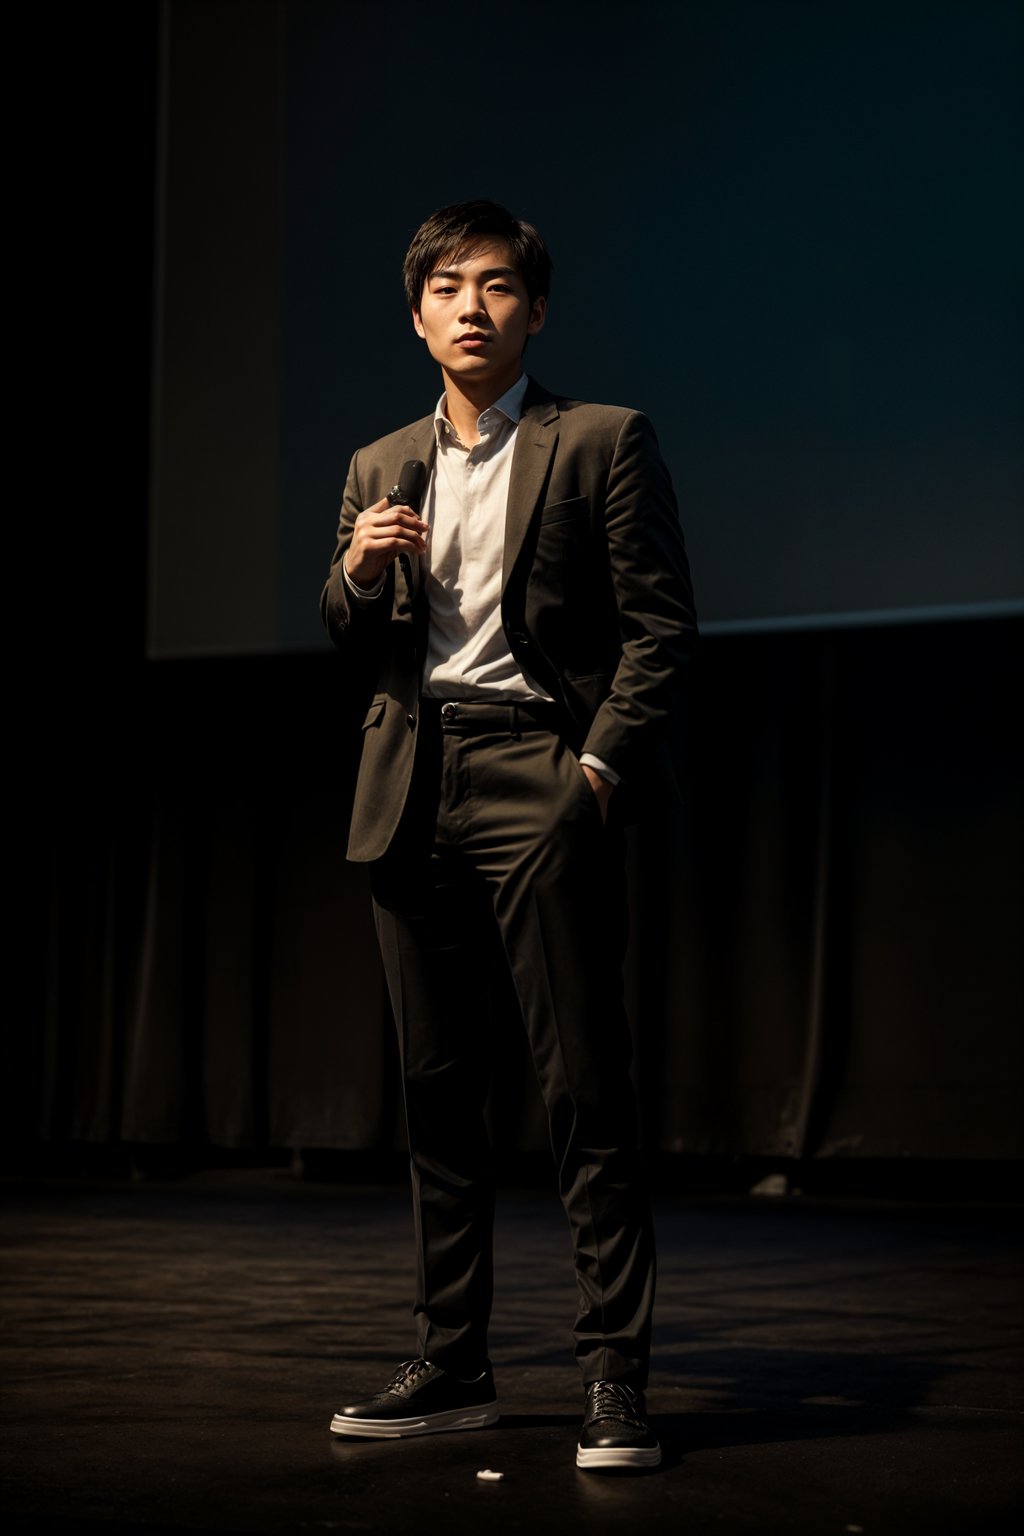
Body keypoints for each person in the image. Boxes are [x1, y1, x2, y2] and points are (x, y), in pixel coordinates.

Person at [321, 199, 697, 1470]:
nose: (468, 307)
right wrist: (362, 570)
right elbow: (349, 628)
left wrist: (592, 767)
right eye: (444, 286)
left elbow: (659, 631)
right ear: (415, 310)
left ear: (533, 308)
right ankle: (454, 1360)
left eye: (493, 286)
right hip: (412, 776)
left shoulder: (599, 440)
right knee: (437, 1091)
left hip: (539, 765)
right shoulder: (381, 462)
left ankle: (614, 1378)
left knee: (582, 1085)